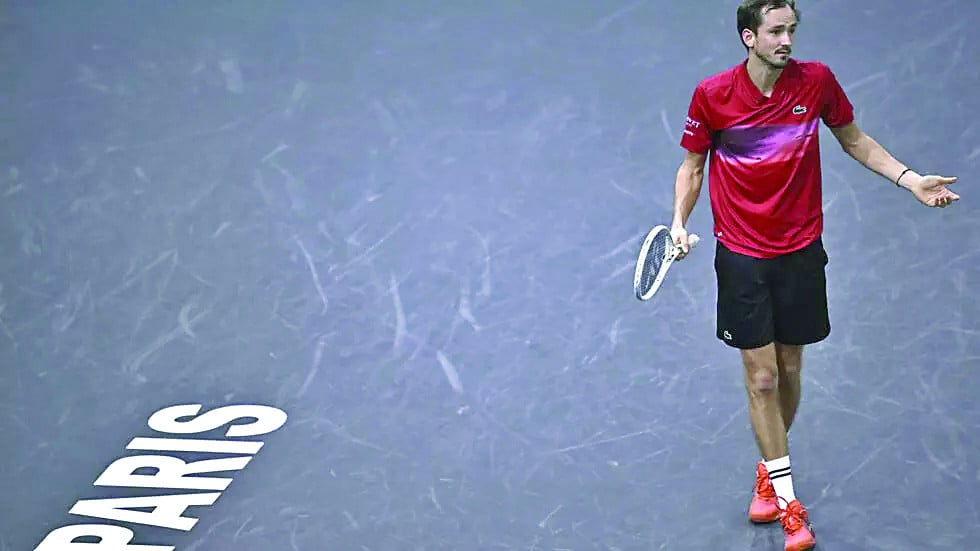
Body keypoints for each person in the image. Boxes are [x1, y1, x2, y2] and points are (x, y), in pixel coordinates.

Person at [668, 1, 960, 549]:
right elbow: (692, 165)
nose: (787, 41)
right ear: (748, 37)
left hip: (801, 251)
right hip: (743, 254)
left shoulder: (816, 81)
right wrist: (679, 223)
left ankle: (769, 467)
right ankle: (787, 501)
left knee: (790, 366)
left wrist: (909, 179)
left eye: (792, 30)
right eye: (776, 32)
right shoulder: (713, 95)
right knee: (761, 378)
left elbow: (855, 140)